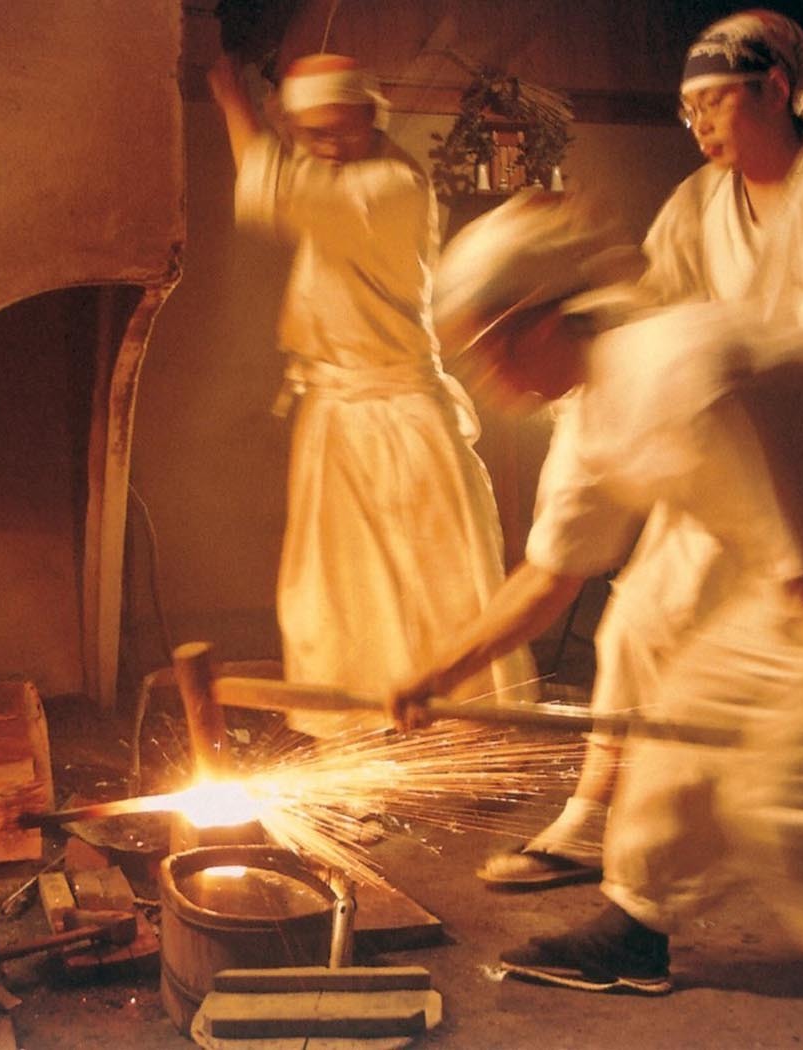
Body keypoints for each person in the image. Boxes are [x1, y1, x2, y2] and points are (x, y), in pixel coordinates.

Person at [391, 192, 803, 1040]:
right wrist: (435, 674)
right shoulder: (592, 412)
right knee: (683, 712)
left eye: (486, 348)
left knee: (800, 800)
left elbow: (801, 556)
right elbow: (548, 579)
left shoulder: (669, 372)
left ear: (543, 321)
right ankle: (636, 924)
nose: (484, 375)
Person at [479, 7, 803, 889]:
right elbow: (646, 310)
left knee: (699, 636)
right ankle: (596, 817)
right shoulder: (695, 204)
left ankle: (685, 839)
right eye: (691, 110)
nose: (702, 124)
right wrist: (580, 259)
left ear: (777, 91)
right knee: (636, 623)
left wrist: (726, 381)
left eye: (717, 101)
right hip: (714, 453)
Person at [205, 51, 535, 737]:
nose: (326, 146)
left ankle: (463, 736)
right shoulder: (344, 177)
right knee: (338, 593)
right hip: (337, 415)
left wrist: (232, 98)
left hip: (401, 421)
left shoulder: (390, 187)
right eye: (311, 134)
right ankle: (358, 733)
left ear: (371, 116)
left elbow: (273, 189)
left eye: (340, 129)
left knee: (436, 590)